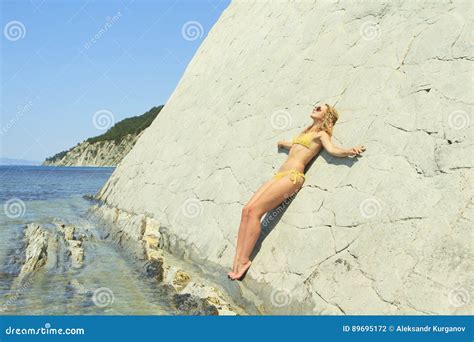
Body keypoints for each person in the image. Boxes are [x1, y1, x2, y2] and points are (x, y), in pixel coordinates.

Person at [228, 103, 366, 280]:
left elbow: (332, 150)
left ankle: (244, 261)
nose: (316, 107)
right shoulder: (305, 133)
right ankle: (237, 260)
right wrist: (282, 143)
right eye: (316, 105)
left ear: (327, 115)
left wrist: (349, 151)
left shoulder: (321, 134)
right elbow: (294, 145)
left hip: (293, 177)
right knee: (246, 210)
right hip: (279, 175)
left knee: (255, 212)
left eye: (320, 108)